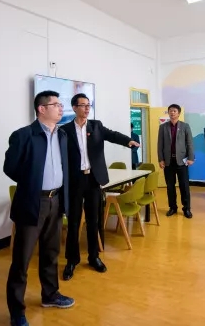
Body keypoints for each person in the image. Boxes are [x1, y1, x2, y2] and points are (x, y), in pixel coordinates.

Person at [5, 90, 74, 326]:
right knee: (22, 259)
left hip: (56, 200)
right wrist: (32, 182)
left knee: (51, 252)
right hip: (32, 202)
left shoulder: (62, 135)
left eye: (61, 104)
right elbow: (10, 167)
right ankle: (17, 311)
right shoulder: (24, 135)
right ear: (42, 109)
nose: (61, 108)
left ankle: (50, 294)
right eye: (56, 105)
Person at [61, 93, 139, 281]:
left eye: (89, 105)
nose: (87, 108)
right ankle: (72, 260)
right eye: (83, 105)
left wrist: (127, 141)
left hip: (93, 180)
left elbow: (112, 135)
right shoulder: (64, 130)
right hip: (74, 181)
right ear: (74, 108)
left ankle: (93, 256)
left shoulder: (96, 126)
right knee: (73, 223)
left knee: (93, 220)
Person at [157, 104, 195, 218]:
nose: (172, 113)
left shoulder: (185, 126)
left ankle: (186, 208)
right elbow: (160, 145)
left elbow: (189, 143)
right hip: (168, 162)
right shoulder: (163, 127)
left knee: (184, 186)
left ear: (178, 113)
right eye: (170, 111)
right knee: (170, 186)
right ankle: (172, 207)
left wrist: (191, 157)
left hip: (182, 161)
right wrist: (161, 159)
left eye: (174, 111)